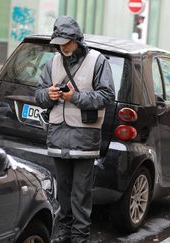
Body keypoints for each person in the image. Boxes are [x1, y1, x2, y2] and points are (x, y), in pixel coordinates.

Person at [35, 16, 115, 243]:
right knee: (63, 193)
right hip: (58, 138)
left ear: (77, 39)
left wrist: (75, 97)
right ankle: (63, 236)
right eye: (59, 43)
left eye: (66, 42)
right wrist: (47, 95)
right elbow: (38, 94)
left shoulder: (98, 61)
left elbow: (108, 96)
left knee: (80, 195)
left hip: (84, 140)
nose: (63, 47)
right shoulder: (52, 63)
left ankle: (79, 239)